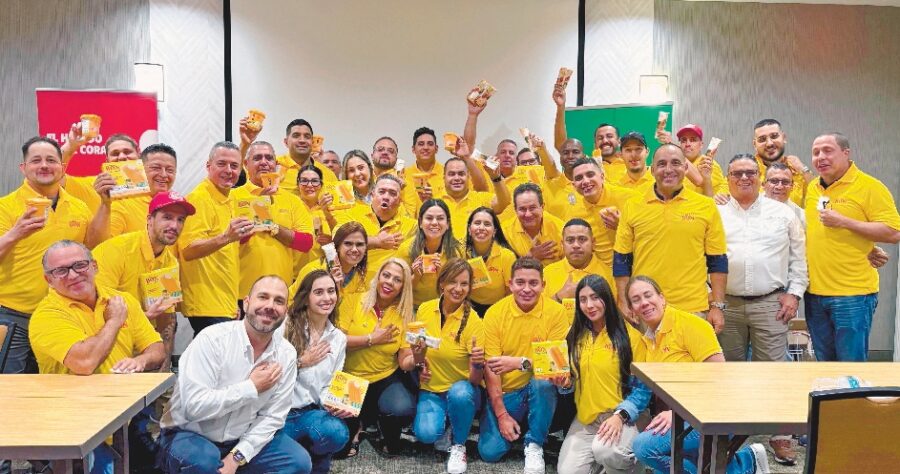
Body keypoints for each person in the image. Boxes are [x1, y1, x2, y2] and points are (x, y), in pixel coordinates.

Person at [29, 240, 165, 473]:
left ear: (94, 266)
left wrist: (140, 361)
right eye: (61, 271)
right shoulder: (47, 315)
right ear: (48, 279)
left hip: (125, 414)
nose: (73, 275)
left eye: (79, 265)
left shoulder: (122, 300)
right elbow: (84, 363)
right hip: (73, 421)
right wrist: (113, 321)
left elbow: (157, 349)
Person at [158, 275, 311, 473]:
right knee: (203, 462)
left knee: (298, 462)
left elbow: (273, 417)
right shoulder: (212, 340)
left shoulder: (286, 354)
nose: (270, 306)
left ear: (285, 311)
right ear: (246, 303)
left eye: (279, 301)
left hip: (240, 438)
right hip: (190, 433)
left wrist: (237, 457)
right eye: (263, 297)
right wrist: (251, 388)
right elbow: (193, 407)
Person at [626, 276, 768, 474]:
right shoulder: (648, 340)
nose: (644, 302)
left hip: (716, 413)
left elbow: (720, 380)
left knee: (644, 447)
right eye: (636, 300)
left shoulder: (691, 325)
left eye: (648, 295)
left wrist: (678, 413)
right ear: (632, 310)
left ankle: (742, 464)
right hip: (684, 415)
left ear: (662, 298)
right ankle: (746, 462)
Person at [718, 154, 807, 465]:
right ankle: (727, 434)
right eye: (737, 173)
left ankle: (781, 436)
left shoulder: (783, 213)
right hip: (727, 304)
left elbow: (799, 258)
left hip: (771, 302)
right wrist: (713, 300)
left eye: (750, 173)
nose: (744, 178)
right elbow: (703, 257)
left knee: (774, 372)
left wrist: (794, 294)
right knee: (728, 370)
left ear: (760, 177)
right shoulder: (716, 213)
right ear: (727, 178)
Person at [0, 137, 93, 375]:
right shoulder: (5, 207)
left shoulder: (80, 208)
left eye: (51, 160)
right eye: (36, 161)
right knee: (11, 389)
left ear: (62, 167)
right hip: (14, 316)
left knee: (58, 387)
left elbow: (90, 256)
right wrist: (14, 234)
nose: (44, 165)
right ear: (23, 168)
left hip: (62, 316)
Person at [804, 132, 900, 361]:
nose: (820, 157)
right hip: (814, 294)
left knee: (851, 365)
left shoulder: (869, 186)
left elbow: (894, 232)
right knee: (825, 365)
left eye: (828, 150)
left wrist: (845, 222)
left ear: (846, 153)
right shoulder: (813, 187)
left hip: (852, 295)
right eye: (816, 152)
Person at [613, 144, 728, 332]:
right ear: (652, 170)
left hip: (693, 308)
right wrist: (624, 302)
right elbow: (621, 259)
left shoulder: (706, 206)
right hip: (646, 308)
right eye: (661, 164)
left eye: (675, 163)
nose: (668, 170)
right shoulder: (632, 206)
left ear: (685, 167)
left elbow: (718, 261)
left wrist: (717, 305)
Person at [479, 257, 568, 474]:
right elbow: (491, 369)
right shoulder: (495, 313)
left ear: (543, 285)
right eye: (520, 282)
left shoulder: (557, 313)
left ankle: (535, 443)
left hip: (540, 389)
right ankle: (522, 424)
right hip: (507, 393)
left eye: (533, 283)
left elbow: (554, 366)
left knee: (543, 383)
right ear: (510, 284)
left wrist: (520, 363)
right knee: (490, 452)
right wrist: (502, 415)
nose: (526, 289)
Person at [555, 275, 650, 474]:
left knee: (607, 452)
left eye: (595, 297)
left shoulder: (632, 338)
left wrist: (620, 416)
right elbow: (572, 379)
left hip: (623, 416)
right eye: (583, 299)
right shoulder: (574, 334)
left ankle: (632, 463)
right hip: (587, 419)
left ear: (607, 298)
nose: (589, 305)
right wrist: (565, 383)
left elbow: (643, 390)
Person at [93, 191, 196, 370]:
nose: (174, 225)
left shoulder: (170, 263)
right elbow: (95, 311)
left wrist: (163, 372)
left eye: (181, 220)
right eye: (167, 217)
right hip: (104, 349)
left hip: (142, 349)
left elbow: (166, 320)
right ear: (149, 219)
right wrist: (144, 317)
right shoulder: (115, 250)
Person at [411, 259, 486, 474]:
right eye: (453, 282)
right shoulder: (425, 309)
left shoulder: (474, 321)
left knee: (460, 394)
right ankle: (449, 424)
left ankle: (459, 444)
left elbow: (474, 381)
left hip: (463, 391)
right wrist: (420, 363)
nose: (458, 289)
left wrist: (478, 363)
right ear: (442, 283)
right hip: (431, 389)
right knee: (426, 434)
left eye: (464, 284)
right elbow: (418, 353)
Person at [338, 258, 417, 456]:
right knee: (339, 448)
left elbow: (404, 362)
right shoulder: (353, 300)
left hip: (384, 377)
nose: (389, 282)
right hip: (351, 377)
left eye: (397, 280)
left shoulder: (405, 314)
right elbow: (337, 342)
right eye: (386, 275)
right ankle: (358, 425)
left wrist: (418, 356)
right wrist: (372, 339)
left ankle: (378, 423)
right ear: (378, 276)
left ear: (403, 287)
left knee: (401, 411)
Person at [177, 141, 251, 334]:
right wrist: (226, 237)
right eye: (222, 164)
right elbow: (188, 250)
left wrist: (231, 302)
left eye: (234, 166)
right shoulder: (199, 198)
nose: (228, 170)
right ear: (208, 166)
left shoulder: (229, 198)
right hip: (206, 304)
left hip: (223, 303)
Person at [282, 270, 351, 473]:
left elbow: (330, 384)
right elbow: (268, 373)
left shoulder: (338, 338)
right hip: (279, 414)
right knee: (296, 464)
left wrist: (336, 404)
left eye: (331, 291)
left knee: (337, 433)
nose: (327, 298)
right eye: (319, 292)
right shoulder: (285, 325)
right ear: (306, 298)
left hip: (311, 413)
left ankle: (306, 453)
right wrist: (301, 362)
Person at [232, 141, 314, 304]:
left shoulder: (292, 200)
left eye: (269, 158)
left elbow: (306, 243)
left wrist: (274, 227)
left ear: (275, 164)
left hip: (281, 294)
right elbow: (228, 241)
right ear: (246, 164)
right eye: (257, 158)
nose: (264, 162)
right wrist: (259, 206)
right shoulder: (232, 197)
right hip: (242, 293)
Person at [332, 174, 417, 281]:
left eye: (392, 193)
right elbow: (337, 241)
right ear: (372, 195)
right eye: (381, 192)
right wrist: (377, 241)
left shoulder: (411, 226)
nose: (386, 197)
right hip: (350, 285)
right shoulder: (352, 213)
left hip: (387, 286)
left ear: (400, 201)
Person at [89, 143, 180, 242]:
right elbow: (98, 244)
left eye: (170, 170)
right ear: (140, 169)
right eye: (156, 168)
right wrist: (105, 204)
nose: (164, 174)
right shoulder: (123, 203)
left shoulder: (179, 205)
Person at [565, 157, 636, 267]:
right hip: (600, 273)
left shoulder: (630, 198)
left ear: (602, 177)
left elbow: (650, 236)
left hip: (635, 267)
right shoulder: (574, 213)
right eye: (579, 178)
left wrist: (621, 226)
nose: (585, 181)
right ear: (574, 186)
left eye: (590, 175)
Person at [290, 222, 369, 319]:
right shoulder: (313, 271)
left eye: (360, 244)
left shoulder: (360, 279)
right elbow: (297, 310)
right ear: (338, 247)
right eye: (348, 244)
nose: (354, 249)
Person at [396, 199, 463, 306]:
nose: (434, 223)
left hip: (442, 306)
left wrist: (442, 275)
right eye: (429, 218)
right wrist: (416, 276)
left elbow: (457, 290)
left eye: (440, 218)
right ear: (420, 223)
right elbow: (398, 290)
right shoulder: (406, 249)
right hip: (412, 305)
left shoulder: (456, 251)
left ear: (447, 224)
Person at [438, 144, 510, 241]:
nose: (457, 178)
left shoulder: (480, 199)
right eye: (451, 174)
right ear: (444, 177)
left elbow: (503, 203)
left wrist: (496, 178)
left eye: (461, 174)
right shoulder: (435, 202)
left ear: (468, 176)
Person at [59, 132, 142, 215]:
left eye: (127, 152)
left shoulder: (149, 183)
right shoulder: (95, 185)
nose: (122, 157)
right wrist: (70, 146)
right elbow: (57, 178)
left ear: (138, 154)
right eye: (115, 154)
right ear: (107, 160)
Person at [544, 219, 616, 310]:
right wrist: (560, 296)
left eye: (582, 239)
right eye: (570, 240)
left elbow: (613, 314)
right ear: (562, 244)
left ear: (593, 242)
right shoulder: (547, 273)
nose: (576, 245)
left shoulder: (609, 275)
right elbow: (538, 313)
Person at [465, 207, 517, 315]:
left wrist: (502, 312)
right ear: (469, 229)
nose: (481, 227)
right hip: (468, 304)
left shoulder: (507, 256)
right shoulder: (460, 252)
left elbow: (511, 290)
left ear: (494, 231)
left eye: (487, 224)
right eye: (477, 223)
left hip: (498, 307)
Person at [501, 183, 564, 267]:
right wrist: (530, 258)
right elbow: (503, 270)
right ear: (515, 210)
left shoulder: (561, 229)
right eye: (522, 209)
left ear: (542, 207)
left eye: (532, 208)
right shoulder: (503, 234)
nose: (528, 214)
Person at [752, 119, 811, 206]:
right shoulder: (745, 173)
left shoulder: (799, 172)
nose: (769, 143)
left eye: (774, 136)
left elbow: (821, 199)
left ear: (784, 138)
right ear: (755, 144)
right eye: (762, 139)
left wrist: (805, 171)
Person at [293, 165, 332, 272]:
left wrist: (330, 243)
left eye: (314, 181)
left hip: (321, 274)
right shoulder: (291, 206)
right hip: (292, 274)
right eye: (304, 181)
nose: (309, 185)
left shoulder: (329, 211)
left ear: (321, 185)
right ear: (298, 184)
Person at [401, 127, 446, 218]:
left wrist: (432, 199)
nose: (425, 147)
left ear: (436, 149)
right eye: (421, 144)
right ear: (413, 149)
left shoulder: (447, 174)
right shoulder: (403, 175)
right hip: (411, 225)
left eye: (430, 144)